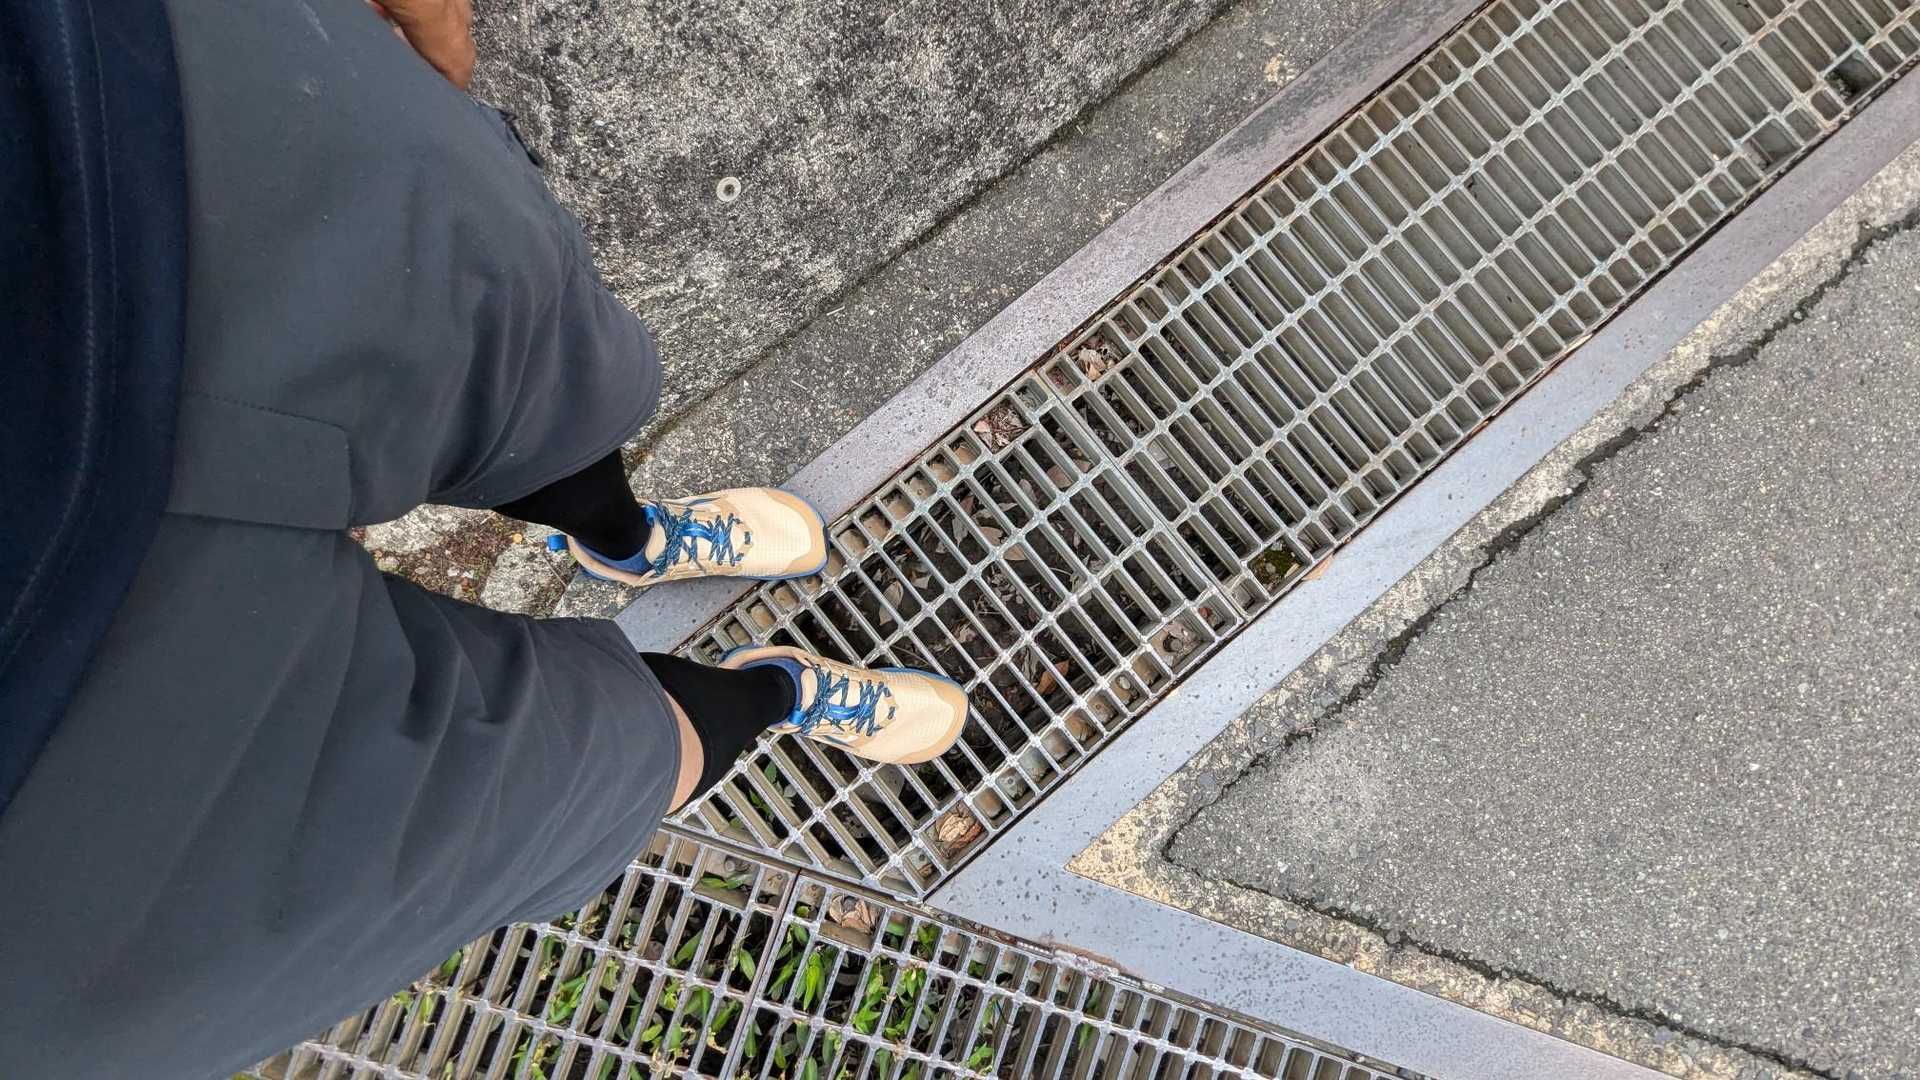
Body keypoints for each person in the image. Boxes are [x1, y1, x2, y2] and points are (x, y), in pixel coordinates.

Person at [0, 1, 968, 1077]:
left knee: (520, 369)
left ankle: (625, 540)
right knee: (603, 763)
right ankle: (776, 692)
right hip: (40, 852)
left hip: (66, 163)